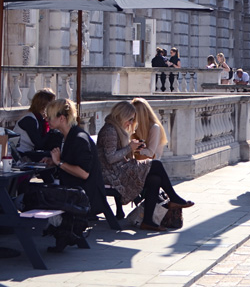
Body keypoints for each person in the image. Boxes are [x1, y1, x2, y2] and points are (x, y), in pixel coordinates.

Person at [97, 101, 193, 232]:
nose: (131, 123)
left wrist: (132, 148)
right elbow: (111, 157)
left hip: (119, 169)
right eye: (130, 119)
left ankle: (148, 220)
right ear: (122, 116)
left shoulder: (115, 129)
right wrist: (129, 147)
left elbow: (115, 154)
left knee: (155, 179)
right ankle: (174, 198)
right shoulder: (110, 130)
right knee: (156, 165)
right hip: (113, 174)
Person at [44, 99, 104, 251]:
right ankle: (63, 235)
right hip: (76, 189)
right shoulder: (67, 136)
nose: (47, 120)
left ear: (61, 118)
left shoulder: (78, 139)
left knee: (39, 196)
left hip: (84, 194)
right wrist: (54, 162)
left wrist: (59, 163)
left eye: (50, 117)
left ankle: (63, 233)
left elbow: (83, 173)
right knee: (42, 193)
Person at [13, 88, 62, 160]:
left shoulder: (41, 119)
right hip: (20, 154)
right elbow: (39, 144)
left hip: (30, 152)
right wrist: (51, 130)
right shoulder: (29, 120)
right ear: (44, 105)